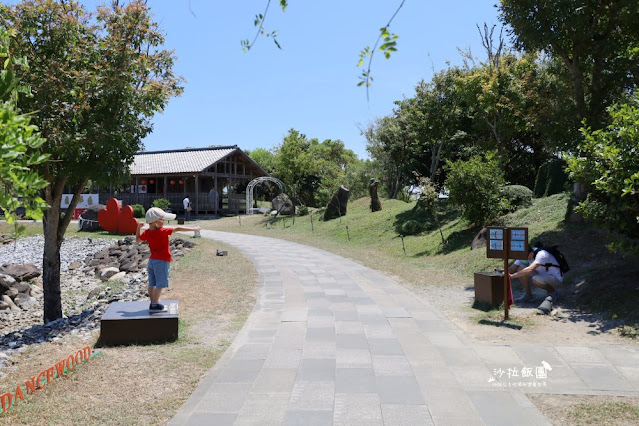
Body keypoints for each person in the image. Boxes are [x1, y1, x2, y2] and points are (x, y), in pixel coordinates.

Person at [136, 207, 200, 312]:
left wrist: (138, 227)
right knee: (160, 284)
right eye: (162, 220)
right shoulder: (162, 231)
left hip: (152, 261)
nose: (164, 222)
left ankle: (152, 303)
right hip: (161, 261)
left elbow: (138, 240)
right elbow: (178, 229)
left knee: (152, 284)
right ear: (156, 222)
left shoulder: (147, 232)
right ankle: (155, 305)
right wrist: (194, 229)